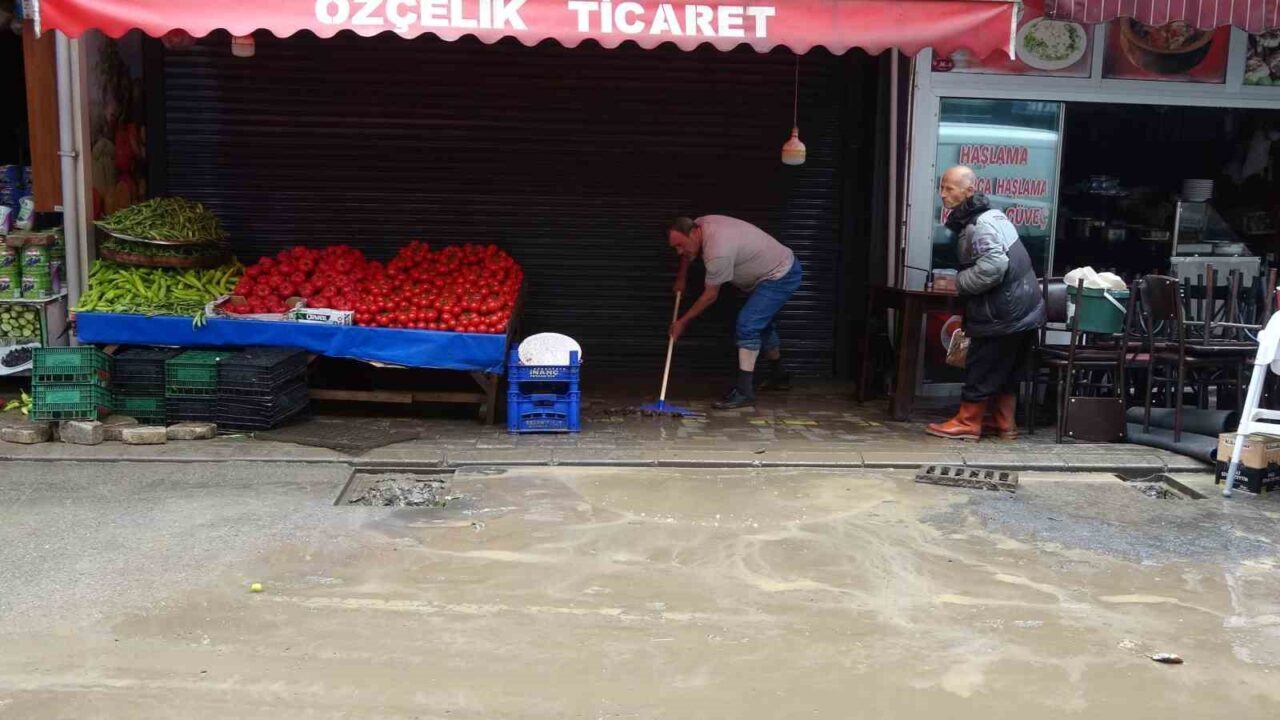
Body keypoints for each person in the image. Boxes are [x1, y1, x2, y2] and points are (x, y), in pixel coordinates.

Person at [926, 166, 1045, 441]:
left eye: (949, 188)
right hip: (1024, 308)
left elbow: (994, 266)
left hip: (1003, 311)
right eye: (941, 188)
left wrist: (959, 282)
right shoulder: (993, 215)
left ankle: (968, 422)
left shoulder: (980, 224)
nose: (942, 194)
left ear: (969, 191)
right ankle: (1004, 423)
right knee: (1006, 369)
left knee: (982, 364)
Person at [667, 215, 802, 409]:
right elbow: (688, 253)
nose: (679, 251)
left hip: (780, 274)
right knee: (761, 324)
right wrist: (682, 276)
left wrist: (682, 321)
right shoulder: (700, 224)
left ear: (694, 233)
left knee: (748, 324)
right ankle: (779, 376)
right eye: (675, 247)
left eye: (680, 245)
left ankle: (745, 392)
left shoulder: (717, 252)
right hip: (770, 270)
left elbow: (710, 295)